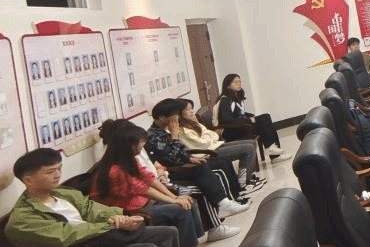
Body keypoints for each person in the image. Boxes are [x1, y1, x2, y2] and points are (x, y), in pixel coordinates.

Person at [5, 147, 180, 247]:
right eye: (50, 172)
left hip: (96, 237)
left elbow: (91, 209)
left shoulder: (64, 194)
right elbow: (67, 235)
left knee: (168, 232)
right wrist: (111, 224)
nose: (58, 175)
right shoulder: (22, 218)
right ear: (28, 180)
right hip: (83, 242)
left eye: (59, 169)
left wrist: (119, 216)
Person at [89, 124, 203, 247]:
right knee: (180, 209)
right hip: (129, 213)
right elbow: (143, 189)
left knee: (187, 202)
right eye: (141, 142)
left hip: (143, 203)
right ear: (130, 145)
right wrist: (174, 200)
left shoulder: (129, 159)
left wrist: (175, 197)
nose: (143, 145)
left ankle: (194, 242)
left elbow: (148, 177)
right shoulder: (114, 170)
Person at [145, 100, 250, 221]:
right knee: (201, 169)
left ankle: (233, 199)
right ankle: (223, 204)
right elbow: (171, 159)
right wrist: (174, 136)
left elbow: (180, 151)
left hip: (182, 164)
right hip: (170, 171)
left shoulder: (166, 129)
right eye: (173, 115)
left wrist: (189, 158)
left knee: (222, 162)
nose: (176, 118)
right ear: (161, 117)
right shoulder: (154, 136)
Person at [175, 99, 266, 192]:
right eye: (188, 110)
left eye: (191, 109)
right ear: (180, 113)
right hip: (208, 153)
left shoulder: (192, 123)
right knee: (248, 148)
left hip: (214, 146)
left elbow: (213, 134)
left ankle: (247, 178)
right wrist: (209, 137)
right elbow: (203, 143)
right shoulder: (182, 130)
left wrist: (207, 135)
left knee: (251, 143)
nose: (192, 112)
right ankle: (243, 183)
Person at [217, 74, 290, 161]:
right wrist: (248, 120)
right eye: (235, 82)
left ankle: (273, 150)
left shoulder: (235, 97)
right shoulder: (225, 100)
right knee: (264, 122)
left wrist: (250, 115)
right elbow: (227, 120)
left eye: (240, 82)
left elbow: (239, 113)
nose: (239, 84)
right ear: (228, 85)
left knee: (266, 117)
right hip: (232, 131)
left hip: (241, 126)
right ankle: (273, 153)